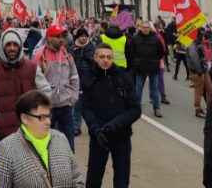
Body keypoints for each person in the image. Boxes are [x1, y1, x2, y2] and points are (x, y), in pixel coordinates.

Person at [0, 90, 85, 187]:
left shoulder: (60, 139)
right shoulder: (6, 149)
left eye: (48, 116)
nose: (48, 122)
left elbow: (77, 181)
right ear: (24, 118)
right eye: (42, 117)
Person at [82, 43, 141, 188]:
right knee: (93, 181)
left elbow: (135, 109)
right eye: (102, 57)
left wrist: (115, 125)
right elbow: (85, 109)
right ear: (95, 57)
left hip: (122, 137)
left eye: (109, 57)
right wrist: (96, 129)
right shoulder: (89, 78)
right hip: (99, 138)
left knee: (121, 182)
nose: (105, 60)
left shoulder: (123, 76)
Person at [0, 28, 51, 140]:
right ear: (3, 47)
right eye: (8, 44)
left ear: (20, 46)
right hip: (3, 134)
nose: (12, 48)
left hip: (30, 130)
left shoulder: (32, 68)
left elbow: (46, 91)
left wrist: (38, 114)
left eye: (15, 44)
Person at [33, 24, 80, 150]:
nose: (61, 39)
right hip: (47, 108)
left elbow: (74, 78)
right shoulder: (39, 56)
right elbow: (33, 82)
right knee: (46, 143)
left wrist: (73, 99)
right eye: (57, 36)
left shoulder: (66, 55)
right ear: (49, 38)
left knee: (68, 143)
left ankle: (69, 167)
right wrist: (39, 104)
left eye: (62, 37)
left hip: (66, 107)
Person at [126, 20, 165, 118]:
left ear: (150, 28)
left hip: (153, 67)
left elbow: (161, 52)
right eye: (144, 27)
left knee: (155, 89)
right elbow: (131, 53)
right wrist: (136, 62)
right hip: (140, 68)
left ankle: (157, 108)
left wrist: (155, 60)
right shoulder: (135, 39)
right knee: (138, 89)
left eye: (147, 27)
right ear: (140, 28)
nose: (146, 29)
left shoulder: (155, 38)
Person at [70, 27, 95, 137]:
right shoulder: (72, 48)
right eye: (81, 36)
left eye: (85, 36)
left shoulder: (91, 47)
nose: (84, 38)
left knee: (90, 104)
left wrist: (85, 56)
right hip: (75, 78)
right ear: (78, 37)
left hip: (88, 78)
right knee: (77, 103)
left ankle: (95, 126)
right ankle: (76, 126)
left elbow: (94, 61)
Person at [188, 32, 212, 118]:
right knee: (198, 92)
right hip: (198, 72)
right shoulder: (192, 46)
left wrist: (205, 68)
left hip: (204, 70)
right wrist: (199, 71)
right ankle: (198, 110)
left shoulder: (198, 45)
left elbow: (203, 58)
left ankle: (210, 107)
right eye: (202, 36)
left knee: (210, 89)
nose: (204, 38)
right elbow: (195, 60)